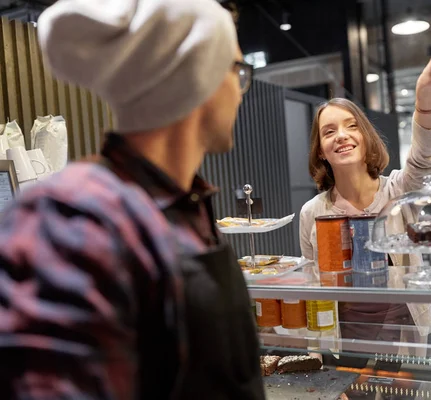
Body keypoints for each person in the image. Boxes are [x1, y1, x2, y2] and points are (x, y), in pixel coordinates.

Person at [0, 1, 265, 399]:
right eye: (237, 70)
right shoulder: (76, 218)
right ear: (202, 76)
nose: (241, 91)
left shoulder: (187, 206)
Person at [299, 22, 431, 353]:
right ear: (320, 151)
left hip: (406, 332)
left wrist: (425, 89)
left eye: (351, 126)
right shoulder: (312, 212)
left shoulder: (399, 190)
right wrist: (317, 355)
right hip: (345, 340)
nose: (341, 135)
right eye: (329, 131)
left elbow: (425, 158)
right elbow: (314, 291)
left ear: (365, 139)